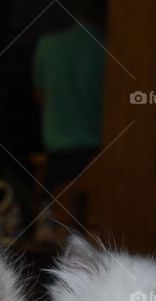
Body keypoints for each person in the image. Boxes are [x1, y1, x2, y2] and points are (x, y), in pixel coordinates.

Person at [32, 0, 106, 190]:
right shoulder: (109, 50)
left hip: (60, 155)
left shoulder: (47, 46)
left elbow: (41, 96)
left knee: (54, 214)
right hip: (97, 156)